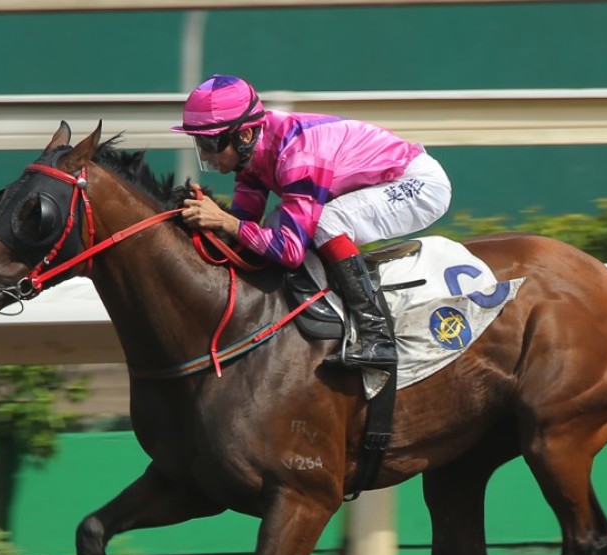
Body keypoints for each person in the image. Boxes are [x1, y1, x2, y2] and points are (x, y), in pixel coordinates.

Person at [173, 74, 452, 370]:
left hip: (419, 184)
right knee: (274, 222)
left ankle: (377, 336)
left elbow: (290, 251)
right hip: (371, 184)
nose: (205, 154)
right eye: (199, 142)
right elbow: (243, 227)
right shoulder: (251, 155)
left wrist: (227, 223)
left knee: (327, 222)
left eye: (210, 142)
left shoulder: (298, 156)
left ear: (243, 136)